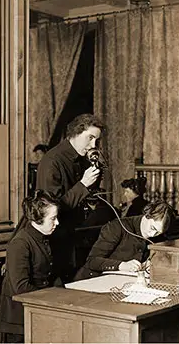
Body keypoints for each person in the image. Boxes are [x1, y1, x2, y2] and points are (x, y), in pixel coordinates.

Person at [36, 114, 105, 281]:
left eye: (96, 140)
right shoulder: (52, 161)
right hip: (54, 238)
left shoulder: (81, 160)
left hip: (72, 235)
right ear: (75, 133)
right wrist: (83, 184)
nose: (93, 145)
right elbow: (51, 207)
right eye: (90, 138)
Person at [0, 190, 61, 343]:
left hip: (39, 307)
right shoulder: (20, 243)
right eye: (53, 218)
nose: (57, 223)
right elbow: (21, 288)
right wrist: (54, 296)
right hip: (20, 318)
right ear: (37, 219)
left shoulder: (44, 237)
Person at [73, 200, 176, 280]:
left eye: (158, 232)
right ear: (147, 215)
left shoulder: (159, 236)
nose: (153, 234)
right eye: (153, 228)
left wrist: (152, 263)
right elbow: (92, 261)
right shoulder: (118, 227)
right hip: (90, 281)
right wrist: (122, 265)